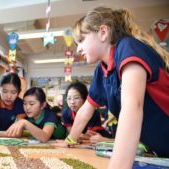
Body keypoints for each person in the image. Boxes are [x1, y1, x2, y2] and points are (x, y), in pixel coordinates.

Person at [54, 6, 169, 169]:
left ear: (103, 32)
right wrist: (69, 140)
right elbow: (86, 110)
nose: (78, 48)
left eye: (81, 40)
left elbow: (133, 107)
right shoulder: (101, 71)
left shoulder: (128, 47)